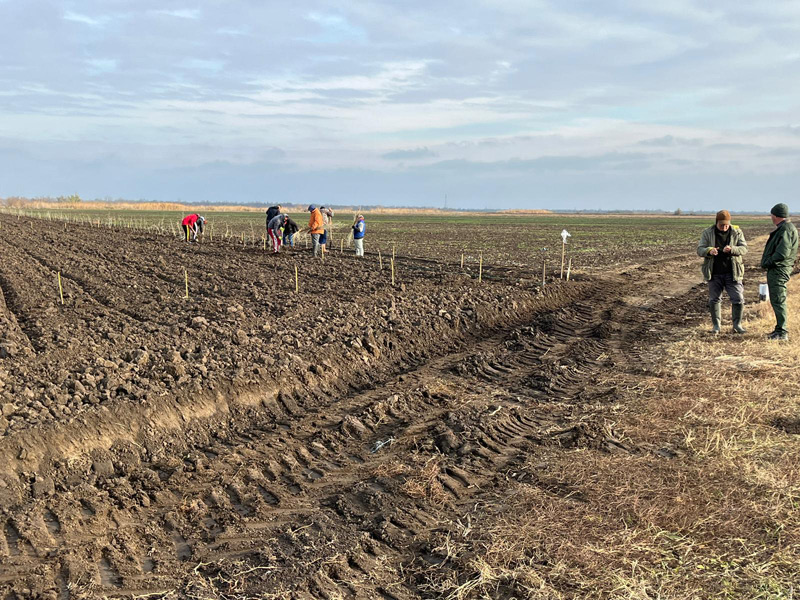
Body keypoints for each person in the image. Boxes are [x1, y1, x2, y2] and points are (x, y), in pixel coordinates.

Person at [697, 210, 747, 334]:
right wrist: (709, 251)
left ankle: (737, 325)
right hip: (714, 273)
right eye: (721, 225)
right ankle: (716, 326)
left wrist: (732, 249)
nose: (724, 228)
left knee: (738, 298)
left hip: (733, 272)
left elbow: (744, 249)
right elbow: (700, 249)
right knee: (714, 299)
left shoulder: (737, 232)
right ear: (716, 222)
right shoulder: (708, 232)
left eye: (726, 225)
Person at [760, 203, 799, 341]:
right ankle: (779, 329)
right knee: (777, 299)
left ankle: (782, 332)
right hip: (778, 268)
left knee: (778, 300)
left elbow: (782, 253)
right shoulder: (785, 228)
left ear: (776, 216)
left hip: (779, 269)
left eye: (772, 215)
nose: (771, 217)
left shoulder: (786, 230)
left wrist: (768, 261)